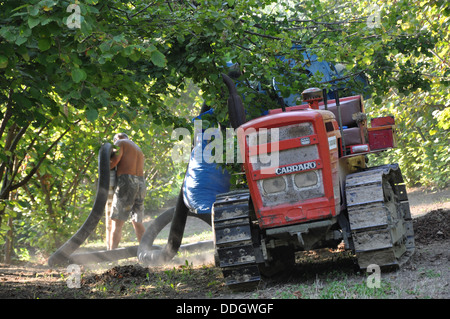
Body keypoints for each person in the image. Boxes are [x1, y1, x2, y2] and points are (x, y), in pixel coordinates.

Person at [109, 133, 146, 249]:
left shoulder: (120, 143)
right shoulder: (137, 148)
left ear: (116, 139)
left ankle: (111, 256)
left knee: (117, 222)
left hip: (127, 181)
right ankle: (146, 252)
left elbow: (113, 163)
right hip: (141, 183)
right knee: (137, 221)